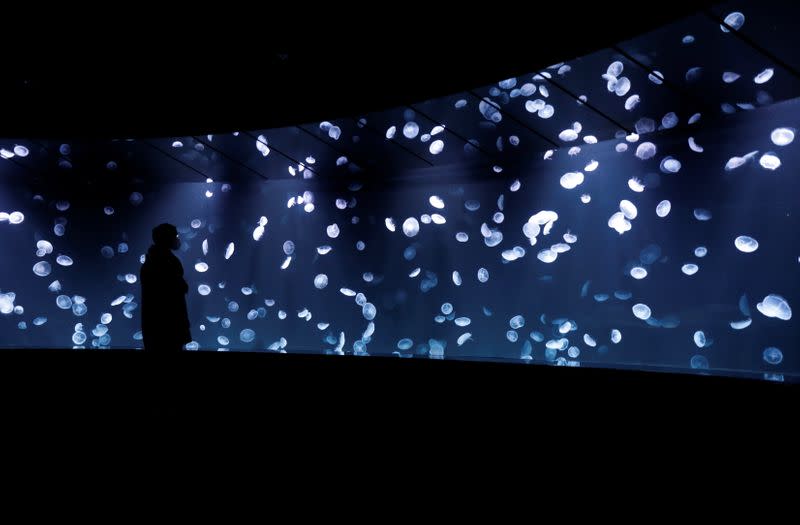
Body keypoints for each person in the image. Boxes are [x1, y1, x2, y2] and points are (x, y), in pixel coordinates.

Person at [140, 223, 191, 351]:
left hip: (161, 320)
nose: (178, 239)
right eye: (175, 236)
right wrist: (181, 285)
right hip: (166, 322)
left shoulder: (155, 258)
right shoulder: (159, 261)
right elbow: (170, 288)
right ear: (167, 238)